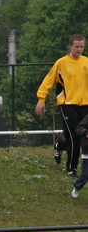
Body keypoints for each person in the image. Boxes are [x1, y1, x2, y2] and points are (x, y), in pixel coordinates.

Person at [36, 34, 88, 175]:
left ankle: (60, 145)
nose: (79, 49)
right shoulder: (61, 63)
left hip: (84, 105)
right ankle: (72, 168)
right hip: (67, 104)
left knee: (80, 136)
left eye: (82, 47)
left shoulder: (86, 62)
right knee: (75, 136)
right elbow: (48, 81)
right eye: (76, 46)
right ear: (70, 46)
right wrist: (41, 99)